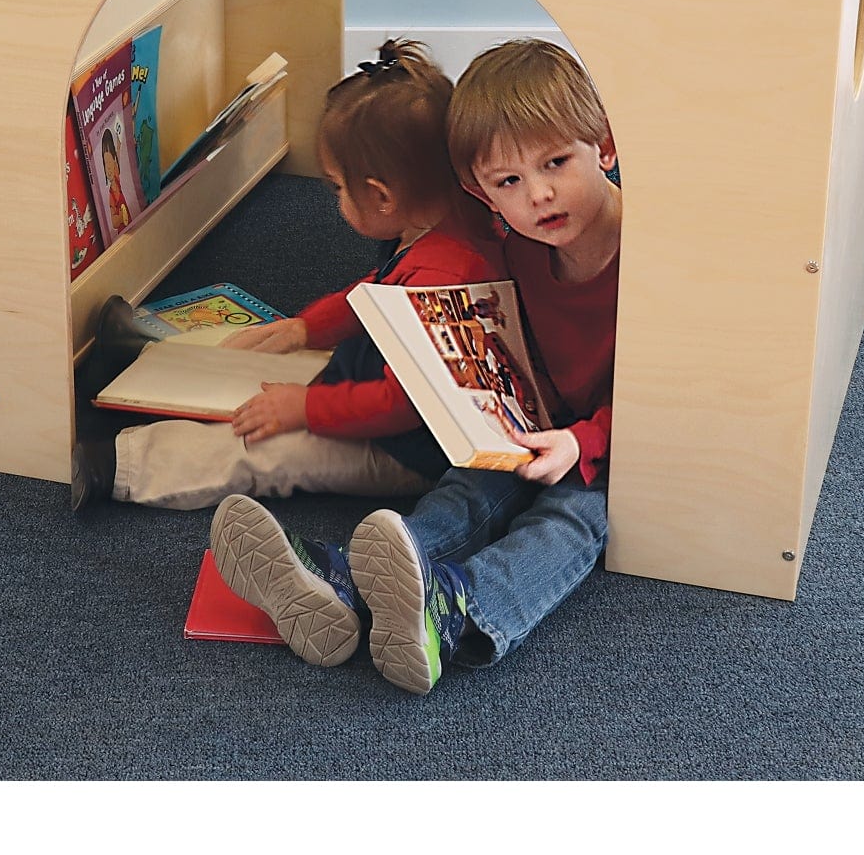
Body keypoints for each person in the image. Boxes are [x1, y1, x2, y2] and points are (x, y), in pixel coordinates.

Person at [210, 38, 620, 693]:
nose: (540, 195)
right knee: (474, 483)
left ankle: (460, 607)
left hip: (620, 443)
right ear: (481, 194)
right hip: (544, 421)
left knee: (573, 517)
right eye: (509, 182)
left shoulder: (646, 253)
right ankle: (350, 581)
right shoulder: (517, 242)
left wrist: (583, 441)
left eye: (556, 163)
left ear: (605, 146)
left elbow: (670, 397)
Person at [71, 40, 497, 519]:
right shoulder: (437, 223)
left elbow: (400, 405)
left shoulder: (445, 276)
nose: (335, 198)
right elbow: (377, 295)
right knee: (265, 354)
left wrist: (305, 408)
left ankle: (119, 465)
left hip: (404, 446)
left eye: (338, 187)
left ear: (381, 196)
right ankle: (147, 363)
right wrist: (304, 329)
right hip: (382, 377)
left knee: (263, 447)